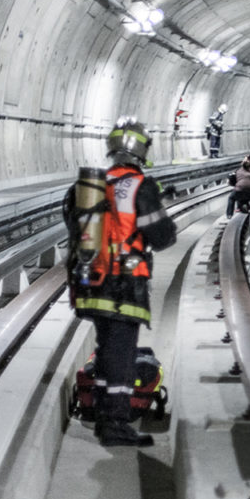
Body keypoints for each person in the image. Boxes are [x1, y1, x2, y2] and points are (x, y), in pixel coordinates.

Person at [63, 117, 177, 447]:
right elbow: (163, 236)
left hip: (91, 284)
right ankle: (115, 424)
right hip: (124, 287)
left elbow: (74, 228)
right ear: (142, 151)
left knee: (106, 350)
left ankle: (104, 414)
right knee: (121, 357)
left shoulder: (88, 187)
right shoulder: (140, 186)